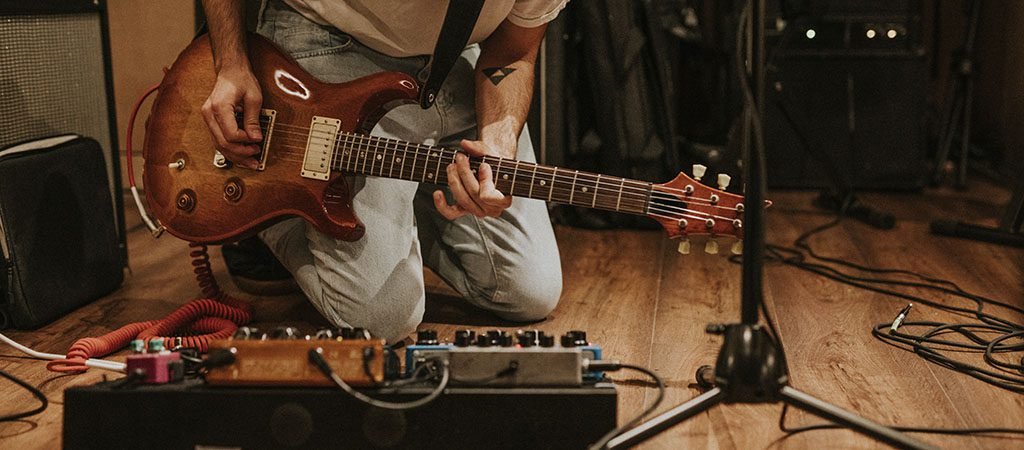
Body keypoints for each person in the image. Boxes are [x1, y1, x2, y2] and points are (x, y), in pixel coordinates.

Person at [200, 0, 566, 343]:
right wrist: (231, 64)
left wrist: (498, 144)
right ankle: (269, 197)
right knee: (384, 321)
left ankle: (400, 190)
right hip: (332, 40)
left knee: (529, 292)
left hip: (455, 57)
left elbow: (514, 51)